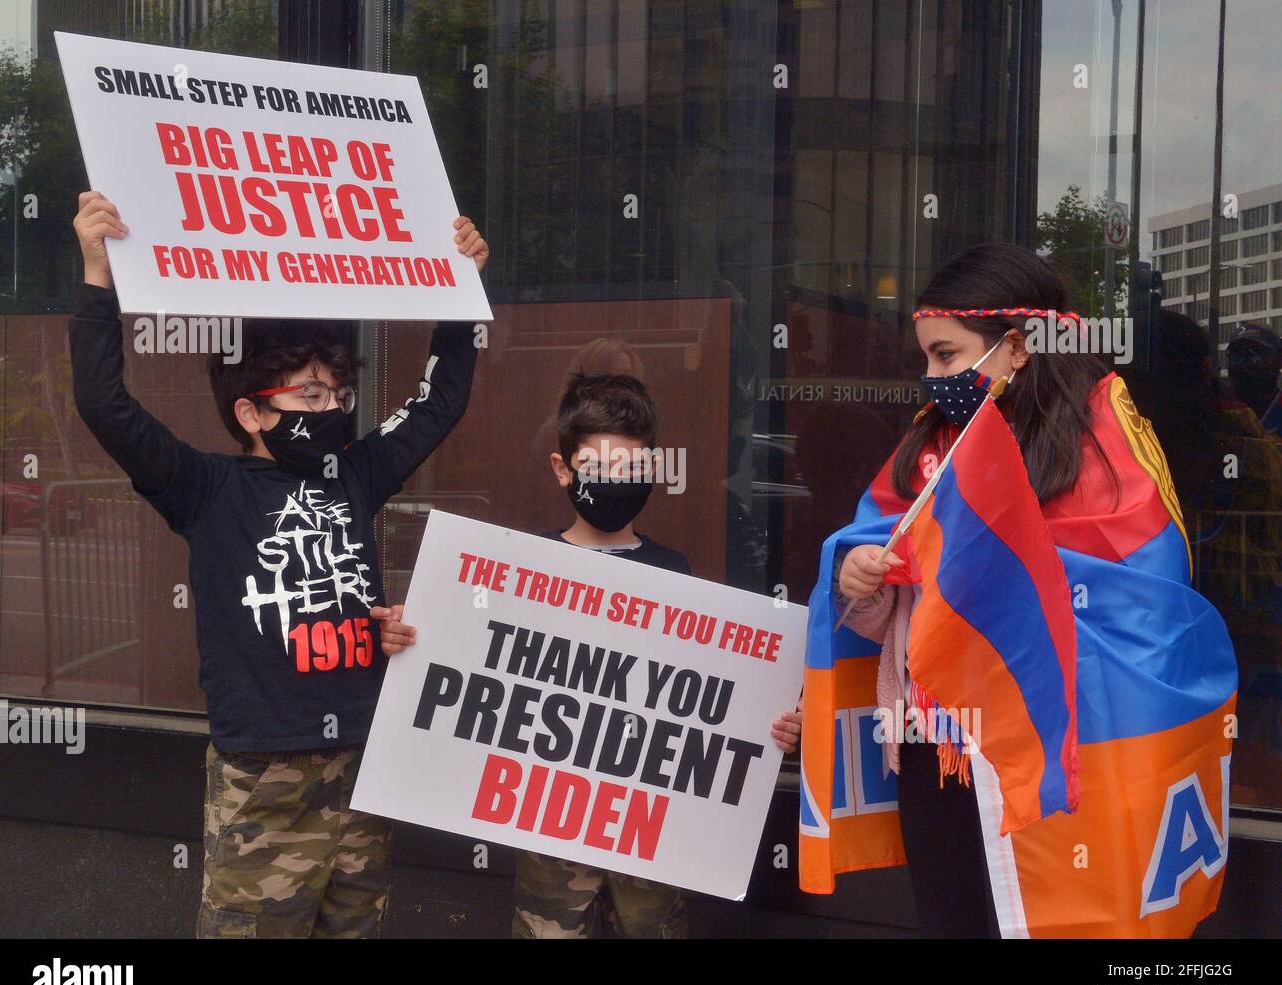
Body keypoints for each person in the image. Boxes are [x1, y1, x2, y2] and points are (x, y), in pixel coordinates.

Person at [70, 189, 489, 938]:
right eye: (310, 392)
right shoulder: (206, 487)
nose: (331, 406)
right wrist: (97, 273)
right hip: (262, 774)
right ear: (251, 412)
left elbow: (440, 402)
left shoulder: (357, 473)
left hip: (364, 762)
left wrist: (462, 291)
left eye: (340, 392)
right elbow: (106, 405)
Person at [382, 372, 804, 937]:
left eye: (631, 468)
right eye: (599, 468)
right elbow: (474, 662)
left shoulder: (673, 573)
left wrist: (769, 723)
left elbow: (714, 694)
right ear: (563, 469)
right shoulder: (525, 571)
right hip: (551, 825)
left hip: (651, 829)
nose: (616, 480)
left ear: (652, 469)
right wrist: (409, 638)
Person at [833, 242, 1146, 937]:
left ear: (1014, 349)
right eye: (926, 358)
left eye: (946, 355)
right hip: (934, 744)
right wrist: (859, 573)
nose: (930, 376)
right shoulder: (927, 441)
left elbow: (1140, 589)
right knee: (953, 918)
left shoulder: (1097, 447)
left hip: (1051, 742)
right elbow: (874, 557)